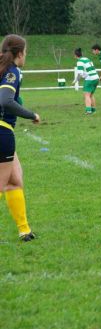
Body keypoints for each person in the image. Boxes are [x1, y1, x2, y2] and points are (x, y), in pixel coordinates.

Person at [0, 34, 40, 241]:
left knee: (14, 180)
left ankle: (24, 231)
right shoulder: (12, 72)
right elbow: (6, 101)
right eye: (25, 52)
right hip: (2, 132)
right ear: (19, 53)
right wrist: (31, 114)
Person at [72, 48, 99, 115]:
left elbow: (80, 73)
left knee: (86, 95)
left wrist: (78, 79)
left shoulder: (79, 62)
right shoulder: (87, 59)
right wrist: (75, 80)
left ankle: (88, 111)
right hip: (96, 77)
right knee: (91, 95)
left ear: (75, 55)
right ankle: (93, 110)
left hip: (90, 78)